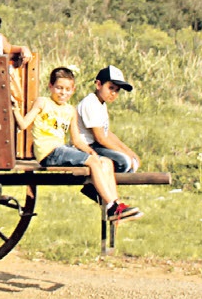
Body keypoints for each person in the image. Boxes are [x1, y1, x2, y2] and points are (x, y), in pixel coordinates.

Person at [15, 67, 142, 222]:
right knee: (95, 162)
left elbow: (76, 140)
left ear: (73, 90)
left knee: (105, 161)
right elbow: (23, 125)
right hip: (49, 152)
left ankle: (116, 205)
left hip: (62, 150)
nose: (63, 93)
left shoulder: (70, 110)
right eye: (59, 88)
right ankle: (111, 206)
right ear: (50, 86)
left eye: (67, 89)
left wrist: (90, 152)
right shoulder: (43, 102)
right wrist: (14, 109)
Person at [77, 66, 142, 174]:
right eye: (111, 88)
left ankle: (98, 187)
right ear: (98, 84)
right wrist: (125, 154)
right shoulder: (91, 103)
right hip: (86, 148)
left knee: (129, 160)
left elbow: (107, 133)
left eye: (117, 90)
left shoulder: (101, 104)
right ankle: (94, 186)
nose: (113, 93)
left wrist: (129, 152)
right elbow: (100, 138)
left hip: (97, 146)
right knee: (124, 161)